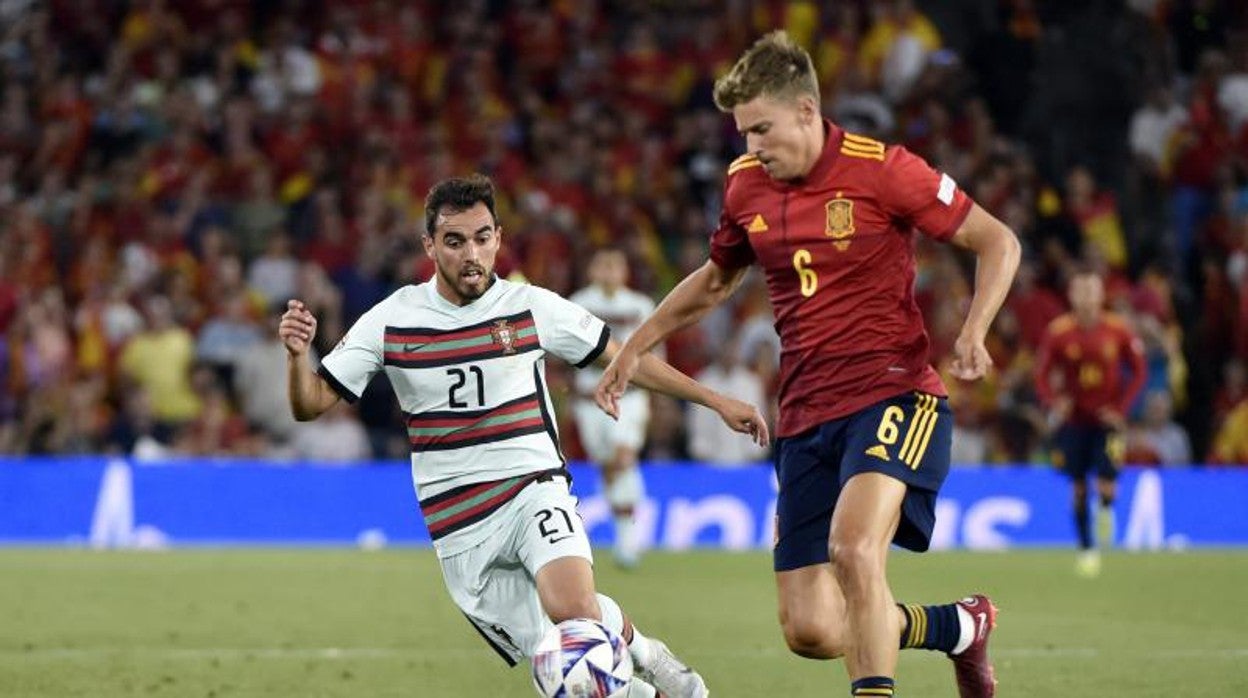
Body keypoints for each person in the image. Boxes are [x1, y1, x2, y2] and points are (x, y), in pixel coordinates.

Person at [596, 31, 1020, 698]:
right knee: (813, 628)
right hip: (803, 417)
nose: (751, 148)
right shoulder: (745, 188)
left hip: (894, 397)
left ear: (805, 111)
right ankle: (959, 628)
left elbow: (997, 241)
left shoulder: (884, 169)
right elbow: (714, 281)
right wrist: (636, 344)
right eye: (742, 134)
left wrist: (974, 330)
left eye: (761, 129)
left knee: (856, 552)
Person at [280, 174, 768, 698]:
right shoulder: (391, 320)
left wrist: (716, 400)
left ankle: (646, 660)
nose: (472, 253)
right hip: (459, 523)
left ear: (498, 237)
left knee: (575, 616)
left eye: (483, 237)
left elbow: (625, 357)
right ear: (429, 246)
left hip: (532, 486)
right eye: (455, 240)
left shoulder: (531, 306)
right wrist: (295, 355)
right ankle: (646, 667)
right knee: (559, 672)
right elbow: (310, 404)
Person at [1035, 268, 1146, 577]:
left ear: (1100, 295)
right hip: (1075, 421)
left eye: (1091, 291)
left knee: (1106, 482)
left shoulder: (1118, 330)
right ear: (1071, 295)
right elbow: (1041, 374)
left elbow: (1138, 372)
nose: (1085, 298)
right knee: (1079, 487)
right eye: (1080, 291)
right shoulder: (1058, 332)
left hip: (1107, 420)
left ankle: (1107, 507)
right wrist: (1054, 402)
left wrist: (1122, 410)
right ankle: (1086, 549)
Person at [569, 248, 656, 567]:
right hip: (588, 399)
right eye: (602, 265)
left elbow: (655, 353)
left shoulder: (639, 305)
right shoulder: (578, 303)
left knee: (623, 457)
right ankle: (626, 532)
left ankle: (629, 543)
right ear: (592, 270)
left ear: (625, 272)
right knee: (608, 466)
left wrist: (656, 397)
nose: (608, 272)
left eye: (614, 265)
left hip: (628, 396)